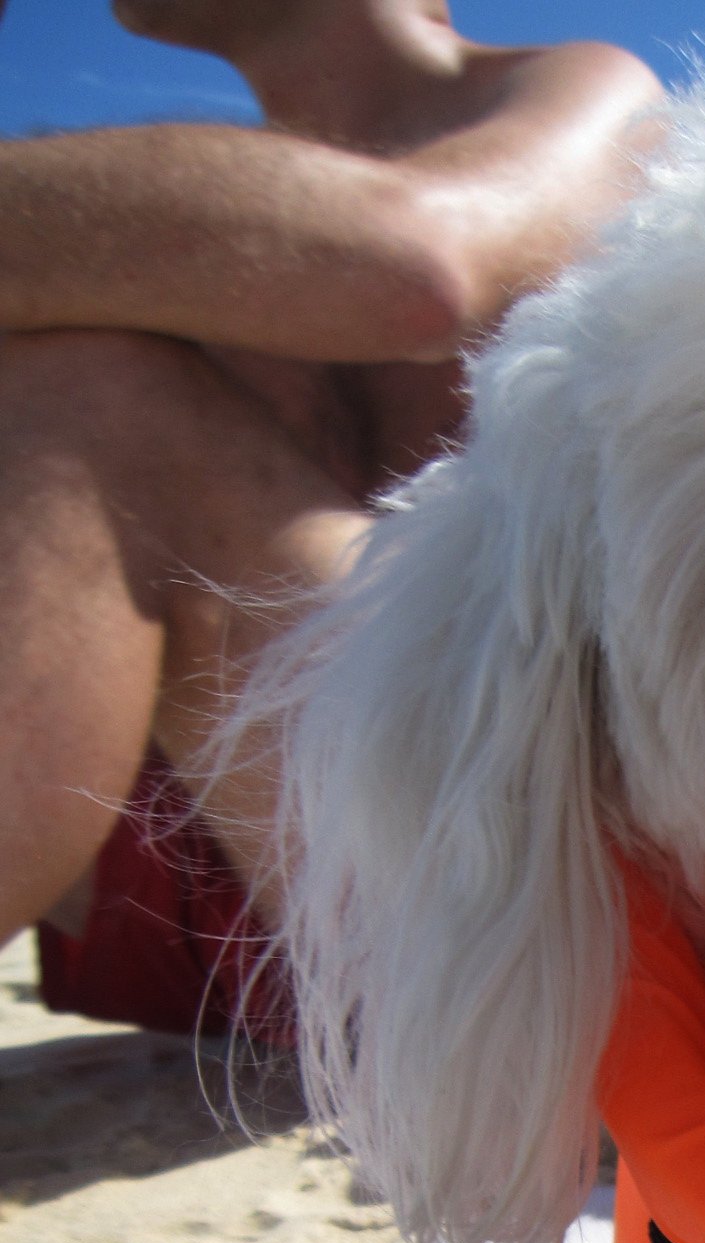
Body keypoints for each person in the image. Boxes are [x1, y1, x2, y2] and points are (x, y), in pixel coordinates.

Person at [0, 0, 661, 1035]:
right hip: (221, 866)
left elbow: (418, 265)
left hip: (502, 885)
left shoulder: (583, 94)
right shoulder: (216, 210)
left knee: (102, 405)